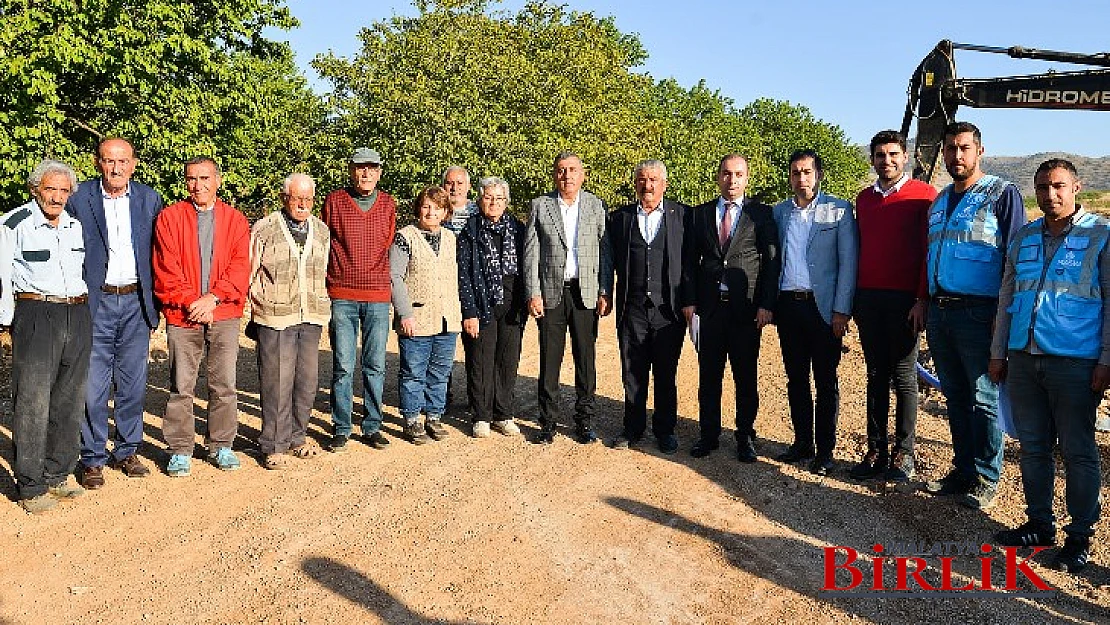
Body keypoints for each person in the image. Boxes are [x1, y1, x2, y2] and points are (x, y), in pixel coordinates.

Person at [989, 159, 1109, 573]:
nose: (1050, 194)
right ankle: (1040, 524)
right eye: (1042, 187)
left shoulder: (1101, 236)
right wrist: (998, 352)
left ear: (1077, 187)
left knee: (1077, 451)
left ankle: (1080, 536)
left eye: (1058, 186)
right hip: (1024, 357)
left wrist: (1106, 360)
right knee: (1033, 447)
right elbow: (1007, 297)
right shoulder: (1023, 238)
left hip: (1075, 363)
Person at [923, 121, 1025, 510]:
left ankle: (985, 476)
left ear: (979, 151)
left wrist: (1005, 316)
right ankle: (962, 469)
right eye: (950, 148)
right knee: (955, 395)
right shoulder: (940, 200)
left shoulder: (1001, 194)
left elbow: (1014, 261)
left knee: (984, 397)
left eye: (964, 148)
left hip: (980, 313)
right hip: (940, 310)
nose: (956, 155)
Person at [66, 138, 163, 489]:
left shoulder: (149, 199)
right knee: (93, 384)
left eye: (122, 161)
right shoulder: (79, 199)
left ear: (133, 164)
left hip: (136, 302)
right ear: (98, 163)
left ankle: (126, 450)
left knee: (133, 384)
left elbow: (158, 252)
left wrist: (157, 304)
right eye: (109, 161)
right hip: (97, 302)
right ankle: (92, 457)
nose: (116, 168)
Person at [0, 160, 90, 513]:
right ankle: (31, 485)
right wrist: (7, 322)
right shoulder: (14, 223)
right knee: (32, 401)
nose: (56, 196)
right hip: (37, 315)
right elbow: (2, 276)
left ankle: (57, 474)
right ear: (36, 189)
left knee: (69, 399)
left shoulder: (74, 226)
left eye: (63, 190)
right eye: (50, 189)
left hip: (77, 313)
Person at [153, 157, 251, 476]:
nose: (199, 185)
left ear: (218, 181)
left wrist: (213, 297)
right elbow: (166, 268)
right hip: (183, 315)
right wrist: (191, 302)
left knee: (223, 384)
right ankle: (180, 448)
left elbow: (239, 267)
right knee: (182, 384)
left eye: (205, 178)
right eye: (192, 178)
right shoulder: (169, 218)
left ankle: (221, 445)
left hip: (223, 313)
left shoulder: (235, 221)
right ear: (185, 182)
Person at [850, 131, 936, 483]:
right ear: (872, 159)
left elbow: (927, 251)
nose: (887, 161)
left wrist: (921, 298)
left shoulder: (924, 196)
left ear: (905, 156)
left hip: (905, 300)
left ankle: (904, 453)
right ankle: (875, 449)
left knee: (903, 377)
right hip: (869, 298)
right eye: (880, 155)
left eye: (893, 154)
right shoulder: (864, 199)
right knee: (874, 375)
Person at [683, 154, 780, 462]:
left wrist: (766, 304)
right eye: (726, 173)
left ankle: (745, 436)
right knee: (709, 377)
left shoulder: (761, 215)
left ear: (747, 178)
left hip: (746, 311)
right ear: (718, 176)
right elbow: (688, 263)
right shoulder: (699, 215)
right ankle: (708, 435)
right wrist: (689, 301)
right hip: (710, 310)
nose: (732, 179)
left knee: (745, 377)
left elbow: (771, 263)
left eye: (738, 174)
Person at [772, 150, 858, 476]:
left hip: (823, 310)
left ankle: (825, 451)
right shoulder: (779, 213)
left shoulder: (838, 210)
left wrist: (841, 311)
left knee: (825, 380)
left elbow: (848, 263)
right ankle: (802, 442)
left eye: (807, 172)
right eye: (796, 172)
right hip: (789, 307)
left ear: (818, 175)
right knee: (795, 379)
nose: (801, 178)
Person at [523, 151, 613, 445]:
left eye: (573, 170)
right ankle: (547, 422)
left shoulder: (595, 205)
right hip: (551, 293)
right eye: (562, 170)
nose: (567, 176)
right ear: (554, 175)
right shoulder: (540, 205)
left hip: (585, 293)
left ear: (582, 174)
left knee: (585, 359)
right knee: (550, 360)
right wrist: (533, 292)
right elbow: (530, 253)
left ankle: (584, 421)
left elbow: (605, 252)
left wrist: (604, 290)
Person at [248, 173, 330, 470]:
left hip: (310, 315)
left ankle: (297, 437)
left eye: (308, 199)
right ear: (285, 198)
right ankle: (274, 444)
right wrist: (255, 310)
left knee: (306, 381)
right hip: (275, 316)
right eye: (298, 198)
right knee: (276, 381)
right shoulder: (264, 228)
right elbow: (250, 270)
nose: (303, 204)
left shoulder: (321, 230)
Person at [607, 160, 687, 454]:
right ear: (636, 183)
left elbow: (690, 264)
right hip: (633, 307)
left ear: (664, 184)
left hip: (669, 310)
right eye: (642, 179)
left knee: (666, 372)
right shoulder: (621, 218)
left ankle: (665, 430)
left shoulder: (682, 216)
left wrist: (689, 302)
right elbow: (609, 261)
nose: (648, 185)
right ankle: (633, 428)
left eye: (654, 180)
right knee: (633, 371)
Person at [322, 148, 397, 452]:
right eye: (360, 168)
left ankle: (372, 426)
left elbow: (389, 245)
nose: (366, 173)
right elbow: (324, 241)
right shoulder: (335, 201)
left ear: (379, 172)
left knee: (375, 365)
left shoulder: (388, 204)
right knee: (342, 365)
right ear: (351, 170)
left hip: (378, 294)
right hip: (342, 294)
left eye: (372, 168)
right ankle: (341, 427)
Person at [457, 176, 527, 438]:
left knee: (507, 361)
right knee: (480, 361)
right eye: (488, 197)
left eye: (499, 198)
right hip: (481, 302)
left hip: (512, 304)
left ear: (506, 202)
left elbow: (527, 268)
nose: (493, 202)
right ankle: (481, 416)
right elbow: (463, 273)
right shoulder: (470, 230)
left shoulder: (518, 230)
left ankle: (504, 414)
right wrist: (469, 311)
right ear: (479, 200)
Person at [390, 186, 461, 444]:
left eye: (437, 207)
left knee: (440, 371)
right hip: (416, 316)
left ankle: (434, 416)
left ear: (445, 212)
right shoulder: (405, 237)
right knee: (413, 371)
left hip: (447, 316)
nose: (431, 212)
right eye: (426, 206)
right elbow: (395, 277)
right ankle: (411, 419)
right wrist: (404, 313)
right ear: (418, 208)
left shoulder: (452, 238)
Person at [442, 166, 476, 235]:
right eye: (449, 183)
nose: (454, 188)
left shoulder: (479, 212)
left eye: (460, 183)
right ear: (442, 186)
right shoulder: (435, 212)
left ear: (469, 186)